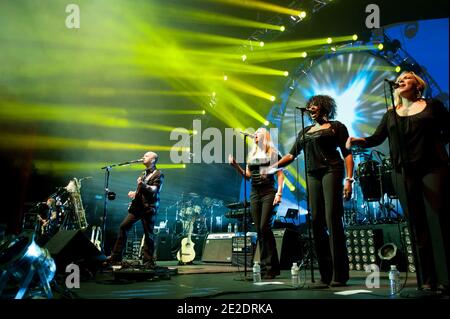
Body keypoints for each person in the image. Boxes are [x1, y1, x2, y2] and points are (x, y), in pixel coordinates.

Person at [347, 71, 449, 292]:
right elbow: (376, 138)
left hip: (433, 168)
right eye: (399, 79)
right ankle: (427, 278)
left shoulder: (433, 106)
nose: (401, 80)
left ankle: (446, 276)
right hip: (403, 171)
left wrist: (436, 146)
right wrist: (358, 140)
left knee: (437, 220)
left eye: (407, 78)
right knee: (416, 224)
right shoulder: (391, 114)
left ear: (418, 85)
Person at [270, 95, 354, 287]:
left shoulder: (337, 126)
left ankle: (339, 275)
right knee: (316, 220)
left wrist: (349, 180)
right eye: (309, 106)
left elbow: (347, 154)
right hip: (313, 174)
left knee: (332, 217)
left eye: (314, 105)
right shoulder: (306, 131)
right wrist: (273, 166)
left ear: (324, 107)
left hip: (332, 170)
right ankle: (325, 275)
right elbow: (291, 154)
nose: (310, 108)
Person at [228, 128, 283, 279]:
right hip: (254, 193)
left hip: (268, 192)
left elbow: (280, 174)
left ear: (265, 136)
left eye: (258, 132)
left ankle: (272, 266)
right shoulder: (251, 154)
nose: (255, 134)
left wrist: (279, 193)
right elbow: (247, 176)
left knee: (265, 226)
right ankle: (266, 267)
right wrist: (235, 165)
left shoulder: (272, 152)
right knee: (259, 229)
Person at [107, 151, 164, 269]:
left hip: (149, 208)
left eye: (147, 156)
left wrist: (143, 186)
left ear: (153, 160)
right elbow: (142, 189)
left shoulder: (158, 173)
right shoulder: (143, 173)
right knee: (124, 226)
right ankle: (116, 257)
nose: (143, 157)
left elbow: (154, 189)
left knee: (148, 234)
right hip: (138, 207)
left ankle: (148, 262)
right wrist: (135, 193)